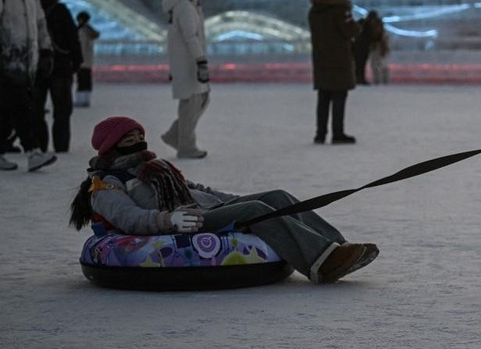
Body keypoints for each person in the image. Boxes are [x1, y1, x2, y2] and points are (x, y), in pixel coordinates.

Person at [68, 116, 380, 284]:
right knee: (258, 211)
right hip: (184, 223)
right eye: (128, 139)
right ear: (111, 146)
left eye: (138, 136)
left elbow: (197, 188)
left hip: (204, 209)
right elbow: (128, 218)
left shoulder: (155, 167)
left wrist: (239, 201)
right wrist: (168, 220)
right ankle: (321, 266)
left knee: (277, 197)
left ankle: (337, 247)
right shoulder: (106, 185)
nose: (137, 142)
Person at [0, 0, 58, 172]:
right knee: (22, 107)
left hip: (27, 63)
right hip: (7, 60)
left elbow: (40, 24)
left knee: (7, 110)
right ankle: (32, 150)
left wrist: (45, 50)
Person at [160, 0, 210, 158]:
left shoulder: (183, 4)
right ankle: (186, 145)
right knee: (192, 103)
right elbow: (191, 36)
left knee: (199, 100)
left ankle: (176, 135)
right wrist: (200, 61)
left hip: (184, 63)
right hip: (189, 64)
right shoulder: (185, 6)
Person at [31, 0, 82, 153]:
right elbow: (72, 38)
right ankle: (61, 146)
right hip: (61, 67)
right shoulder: (60, 9)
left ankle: (39, 145)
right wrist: (76, 62)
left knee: (35, 110)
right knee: (62, 111)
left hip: (35, 67)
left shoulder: (30, 9)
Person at [308, 0, 360, 144]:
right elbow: (350, 31)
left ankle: (320, 133)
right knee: (339, 95)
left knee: (323, 96)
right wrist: (358, 26)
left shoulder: (315, 9)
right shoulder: (341, 9)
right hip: (339, 58)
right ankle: (338, 133)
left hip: (321, 57)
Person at [75, 11, 100, 107]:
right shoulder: (88, 30)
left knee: (81, 80)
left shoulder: (81, 30)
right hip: (87, 60)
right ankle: (85, 99)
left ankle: (81, 100)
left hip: (81, 60)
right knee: (86, 81)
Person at [369, 15, 390, 85]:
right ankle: (378, 80)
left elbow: (386, 43)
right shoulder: (374, 34)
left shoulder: (383, 34)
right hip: (376, 51)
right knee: (376, 66)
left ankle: (384, 80)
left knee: (383, 66)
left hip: (380, 51)